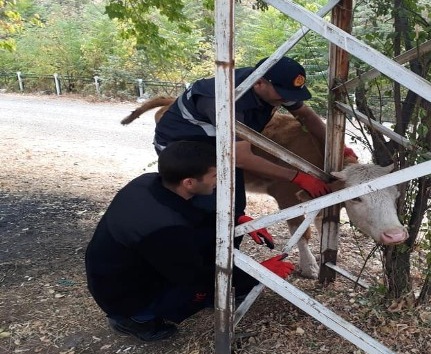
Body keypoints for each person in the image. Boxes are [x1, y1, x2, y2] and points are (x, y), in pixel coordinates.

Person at [85, 141, 295, 342]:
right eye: (214, 175)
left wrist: (237, 219)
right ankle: (135, 320)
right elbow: (197, 276)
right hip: (121, 292)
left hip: (121, 265)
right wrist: (258, 273)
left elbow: (194, 214)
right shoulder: (166, 229)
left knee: (205, 243)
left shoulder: (148, 182)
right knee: (195, 289)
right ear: (189, 182)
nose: (218, 180)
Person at [153, 56, 357, 247]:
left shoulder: (274, 88)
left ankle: (228, 260)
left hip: (218, 146)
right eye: (284, 95)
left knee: (235, 208)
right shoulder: (227, 99)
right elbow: (240, 158)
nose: (287, 100)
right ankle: (196, 261)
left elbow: (307, 117)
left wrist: (339, 148)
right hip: (182, 150)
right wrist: (297, 177)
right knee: (207, 206)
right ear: (259, 83)